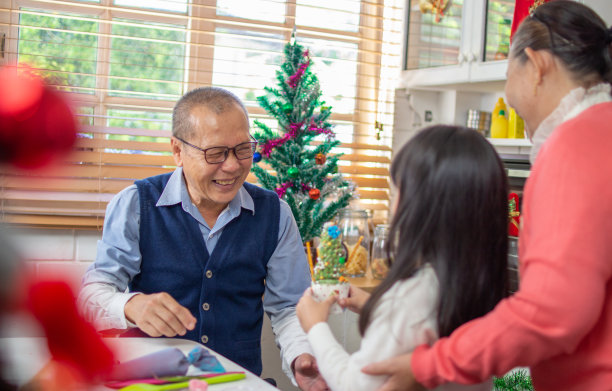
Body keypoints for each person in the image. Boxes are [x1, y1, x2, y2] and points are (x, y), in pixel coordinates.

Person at [361, 2, 612, 390]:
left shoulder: (573, 145)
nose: (509, 95)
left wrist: (432, 364)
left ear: (535, 63)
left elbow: (553, 312)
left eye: (509, 73)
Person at [78, 86, 329, 390]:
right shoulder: (135, 204)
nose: (233, 165)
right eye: (216, 153)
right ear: (177, 151)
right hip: (151, 383)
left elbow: (290, 307)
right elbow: (90, 298)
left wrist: (301, 356)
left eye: (243, 149)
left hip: (237, 383)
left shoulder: (275, 214)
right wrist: (130, 306)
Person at [295, 125, 510, 391]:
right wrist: (377, 304)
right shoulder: (479, 286)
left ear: (422, 207)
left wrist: (315, 327)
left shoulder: (409, 299)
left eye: (398, 191)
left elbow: (356, 385)